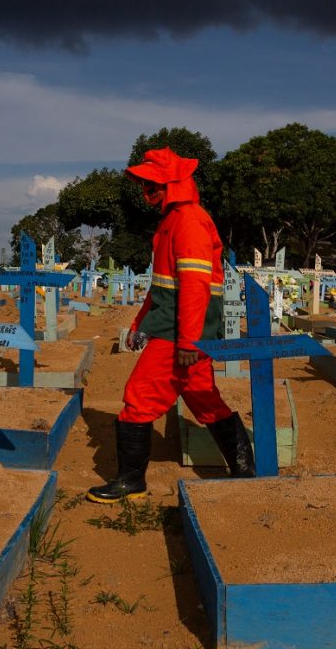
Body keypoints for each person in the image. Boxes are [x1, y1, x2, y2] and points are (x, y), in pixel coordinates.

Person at [87, 147, 255, 504]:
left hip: (181, 333)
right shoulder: (171, 221)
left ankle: (131, 482)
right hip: (179, 329)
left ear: (173, 184)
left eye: (152, 183)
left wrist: (188, 343)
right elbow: (162, 284)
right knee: (207, 402)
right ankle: (245, 473)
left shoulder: (189, 220)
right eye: (144, 184)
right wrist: (138, 322)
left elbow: (195, 287)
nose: (146, 191)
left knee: (138, 399)